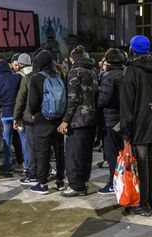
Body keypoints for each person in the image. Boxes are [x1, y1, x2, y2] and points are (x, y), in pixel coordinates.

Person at [120, 35, 152, 216]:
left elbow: (126, 104)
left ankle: (144, 203)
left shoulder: (131, 70)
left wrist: (126, 132)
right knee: (148, 162)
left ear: (133, 50)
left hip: (138, 126)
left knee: (141, 164)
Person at [57, 45, 99, 197]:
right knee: (86, 154)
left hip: (78, 120)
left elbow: (73, 99)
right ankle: (84, 183)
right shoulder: (93, 70)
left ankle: (75, 185)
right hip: (92, 119)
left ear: (72, 59)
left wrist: (65, 120)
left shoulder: (75, 71)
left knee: (74, 154)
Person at [28, 50, 66, 194]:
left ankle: (42, 184)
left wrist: (34, 113)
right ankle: (60, 181)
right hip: (58, 120)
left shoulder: (36, 78)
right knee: (59, 151)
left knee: (42, 152)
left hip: (42, 120)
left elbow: (32, 103)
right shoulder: (59, 75)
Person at [96, 48, 125, 194]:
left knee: (112, 154)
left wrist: (97, 98)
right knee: (123, 152)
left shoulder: (109, 77)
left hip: (110, 120)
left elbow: (104, 99)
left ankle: (113, 183)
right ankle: (124, 181)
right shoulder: (126, 73)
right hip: (124, 119)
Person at [0, 60, 23, 178]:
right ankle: (24, 164)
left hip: (5, 115)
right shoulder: (17, 78)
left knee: (7, 141)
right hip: (19, 115)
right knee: (22, 140)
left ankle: (9, 168)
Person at [14, 53, 37, 184]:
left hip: (25, 115)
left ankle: (29, 170)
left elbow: (20, 99)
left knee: (27, 144)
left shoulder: (21, 77)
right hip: (39, 115)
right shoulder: (38, 74)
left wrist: (16, 117)